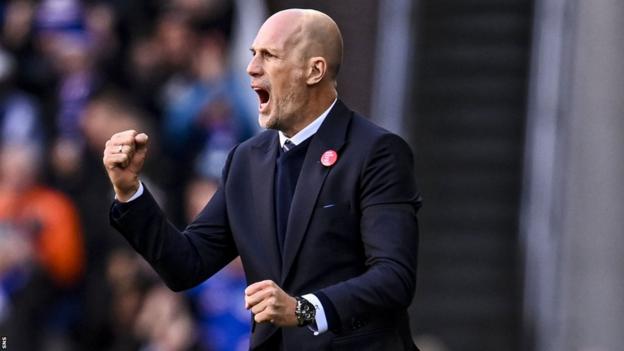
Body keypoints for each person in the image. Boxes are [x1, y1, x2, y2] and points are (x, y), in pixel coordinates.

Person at [103, 8, 421, 351]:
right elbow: (186, 264)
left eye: (269, 56)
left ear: (314, 70)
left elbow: (393, 277)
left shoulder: (377, 152)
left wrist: (304, 309)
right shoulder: (245, 160)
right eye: (253, 54)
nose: (252, 68)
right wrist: (130, 191)